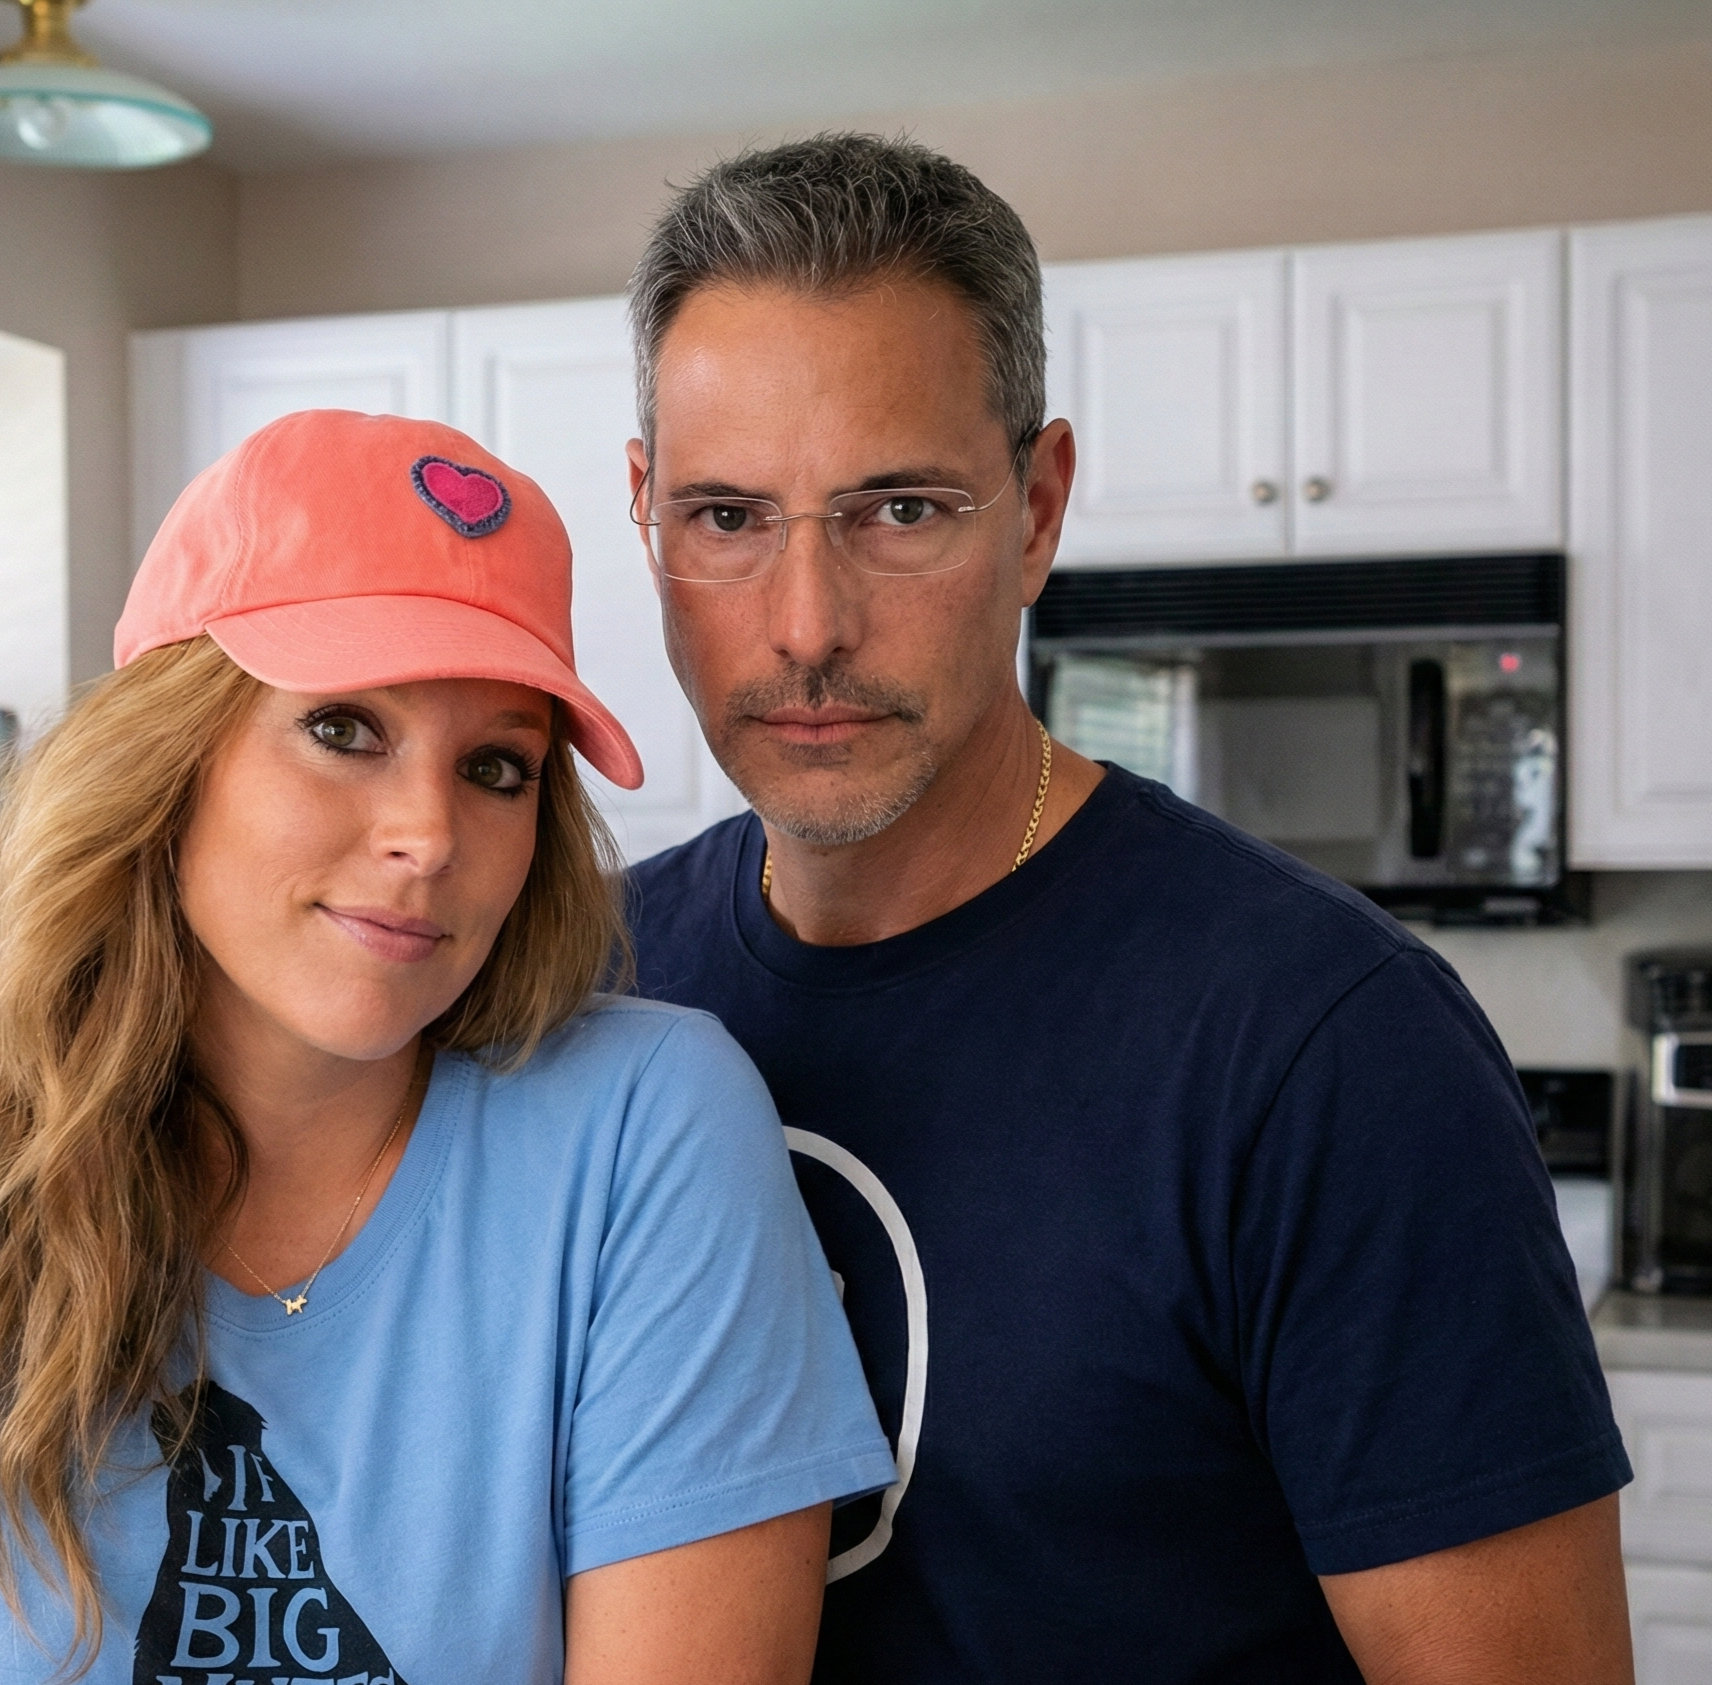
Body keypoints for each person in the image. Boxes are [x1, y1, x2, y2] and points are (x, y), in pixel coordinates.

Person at [0, 410, 894, 1685]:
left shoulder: (647, 1128)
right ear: (169, 757)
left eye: (498, 766)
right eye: (344, 728)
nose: (429, 834)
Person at [621, 135, 1633, 1683]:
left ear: (1035, 510)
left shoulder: (1327, 1052)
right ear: (643, 515)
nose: (806, 625)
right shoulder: (581, 989)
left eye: (898, 510)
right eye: (728, 517)